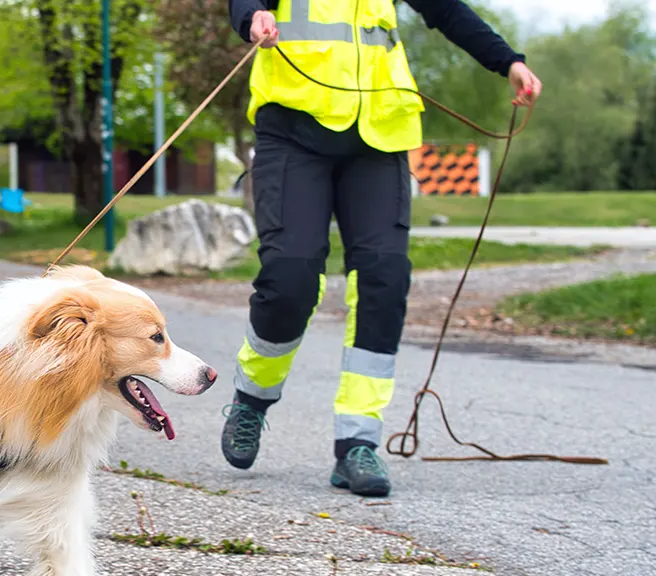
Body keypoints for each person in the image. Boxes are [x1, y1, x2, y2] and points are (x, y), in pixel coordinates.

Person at [222, 0, 542, 497]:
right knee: (290, 277)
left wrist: (509, 61)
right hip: (292, 128)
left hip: (380, 133)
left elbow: (447, 11)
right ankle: (253, 397)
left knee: (384, 279)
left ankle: (357, 443)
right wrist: (251, 18)